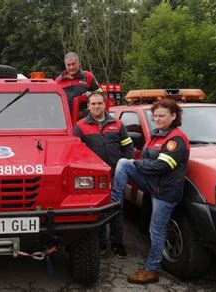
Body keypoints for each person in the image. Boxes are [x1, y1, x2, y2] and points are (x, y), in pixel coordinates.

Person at [110, 99, 190, 284]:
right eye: (155, 116)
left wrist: (139, 164)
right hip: (153, 185)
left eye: (162, 115)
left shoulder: (176, 139)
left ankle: (152, 269)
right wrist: (141, 164)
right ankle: (116, 203)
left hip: (165, 192)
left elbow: (161, 166)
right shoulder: (156, 134)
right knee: (123, 163)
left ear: (173, 116)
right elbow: (148, 160)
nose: (158, 119)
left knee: (156, 230)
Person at [74, 91, 134, 258]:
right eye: (93, 104)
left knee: (117, 210)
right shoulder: (80, 126)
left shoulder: (117, 124)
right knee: (98, 212)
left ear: (105, 104)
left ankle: (117, 243)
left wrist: (126, 166)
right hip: (94, 180)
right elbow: (76, 153)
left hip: (116, 176)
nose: (96, 106)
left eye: (99, 103)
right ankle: (101, 245)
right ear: (88, 106)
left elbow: (128, 147)